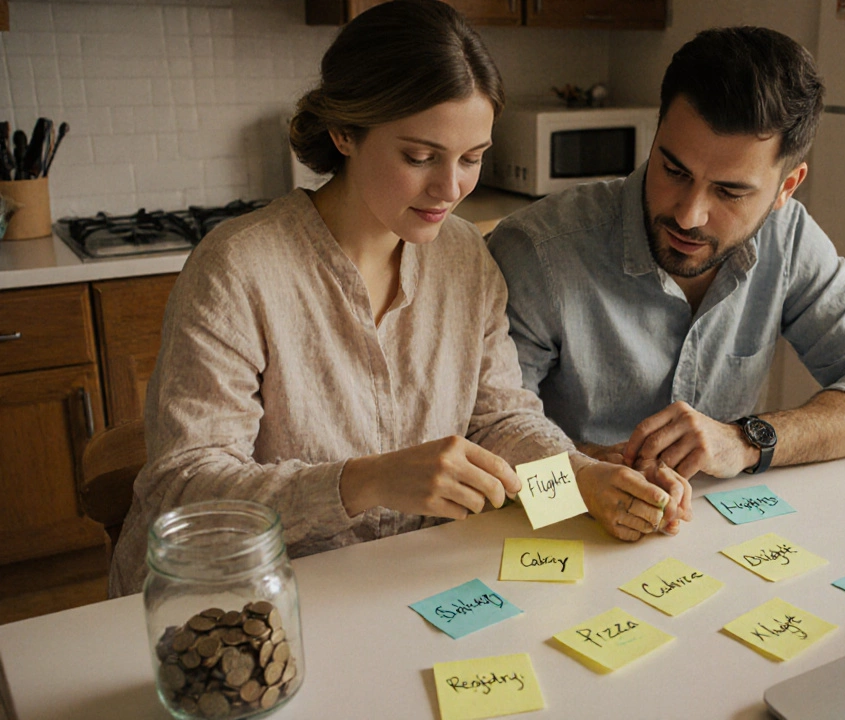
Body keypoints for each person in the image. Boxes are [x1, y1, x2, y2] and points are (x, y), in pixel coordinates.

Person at [109, 0, 686, 597]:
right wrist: (363, 482)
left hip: (406, 585)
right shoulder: (239, 267)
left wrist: (581, 483)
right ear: (344, 132)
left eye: (472, 158)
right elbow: (185, 488)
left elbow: (500, 422)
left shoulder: (465, 256)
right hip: (258, 600)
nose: (451, 187)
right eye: (419, 157)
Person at [487, 26, 845, 497]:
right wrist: (585, 473)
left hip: (707, 539)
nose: (688, 214)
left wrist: (745, 440)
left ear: (786, 188)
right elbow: (487, 442)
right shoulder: (538, 250)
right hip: (555, 540)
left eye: (730, 191)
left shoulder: (790, 238)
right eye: (674, 170)